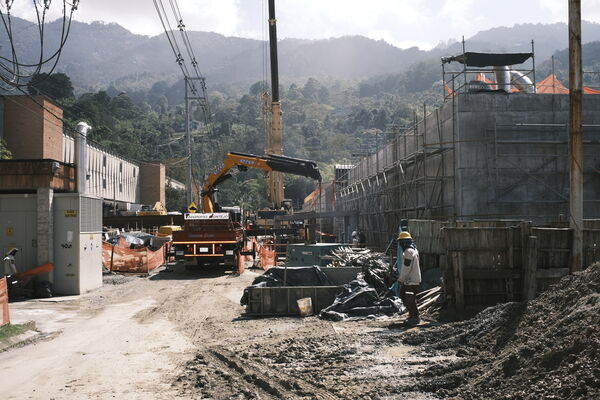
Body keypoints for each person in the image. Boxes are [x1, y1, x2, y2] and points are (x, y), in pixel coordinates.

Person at [397, 231, 421, 325]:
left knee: (409, 299)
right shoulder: (413, 250)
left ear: (404, 242)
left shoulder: (408, 252)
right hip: (411, 280)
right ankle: (414, 315)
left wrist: (400, 279)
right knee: (407, 298)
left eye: (401, 242)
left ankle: (414, 317)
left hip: (410, 281)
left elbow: (407, 268)